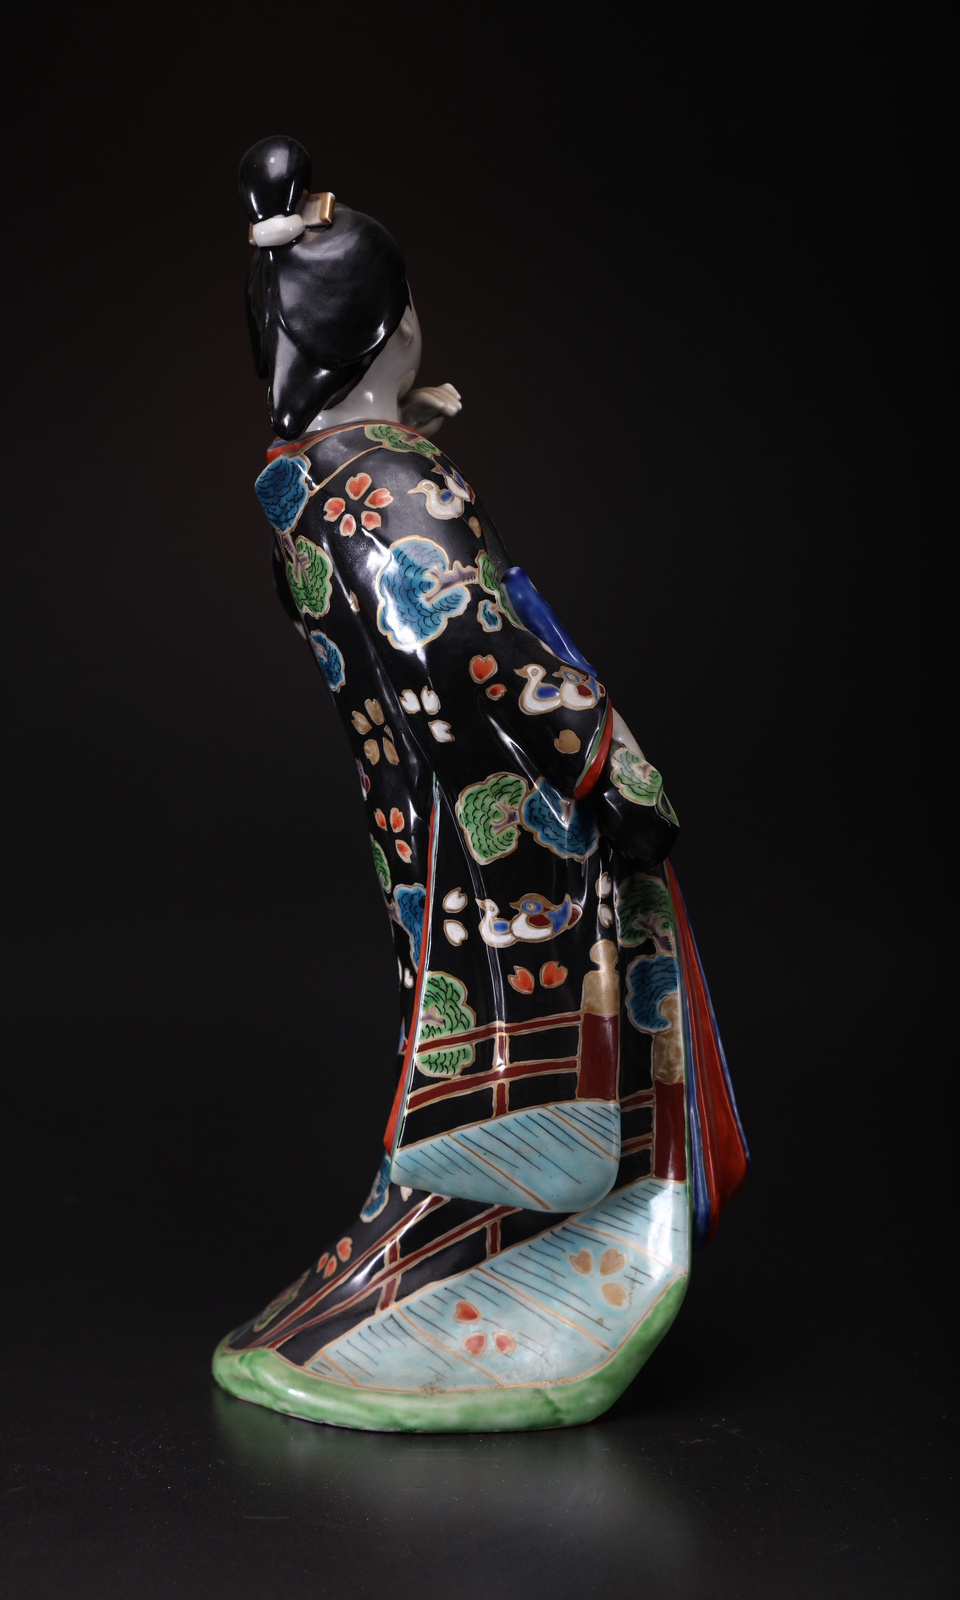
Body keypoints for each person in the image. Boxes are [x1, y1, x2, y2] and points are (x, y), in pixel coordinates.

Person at [213, 137, 747, 1431]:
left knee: (471, 1048)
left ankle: (427, 1286)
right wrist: (608, 760)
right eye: (410, 308)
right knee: (545, 1067)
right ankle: (458, 1300)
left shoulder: (308, 485)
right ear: (383, 328)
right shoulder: (391, 481)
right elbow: (471, 642)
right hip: (506, 822)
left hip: (427, 816)